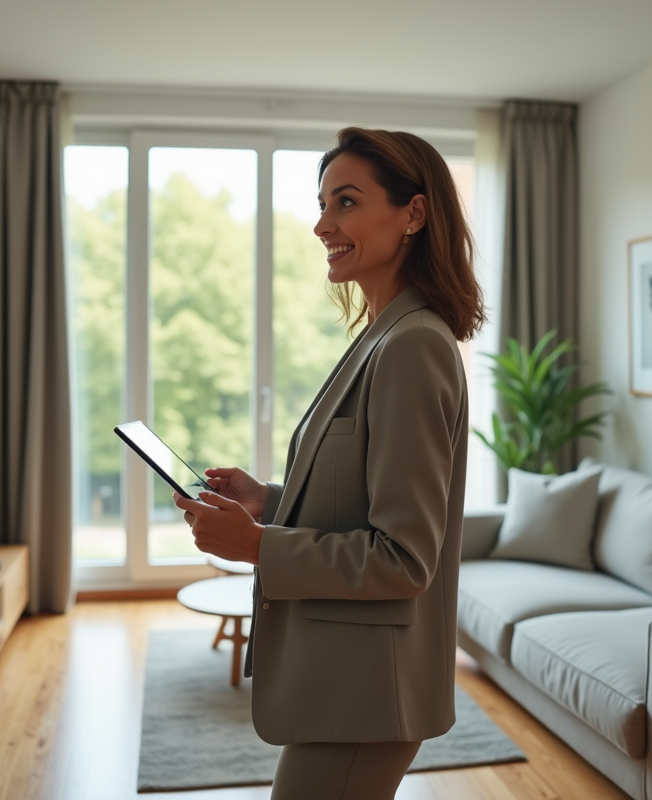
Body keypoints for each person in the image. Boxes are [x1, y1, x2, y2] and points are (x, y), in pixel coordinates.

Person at [173, 127, 485, 800]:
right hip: (348, 678)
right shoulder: (380, 335)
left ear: (414, 214)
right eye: (322, 204)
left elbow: (403, 557)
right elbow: (362, 501)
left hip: (369, 688)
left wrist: (260, 548)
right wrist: (270, 502)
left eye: (344, 202)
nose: (321, 225)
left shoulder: (412, 347)